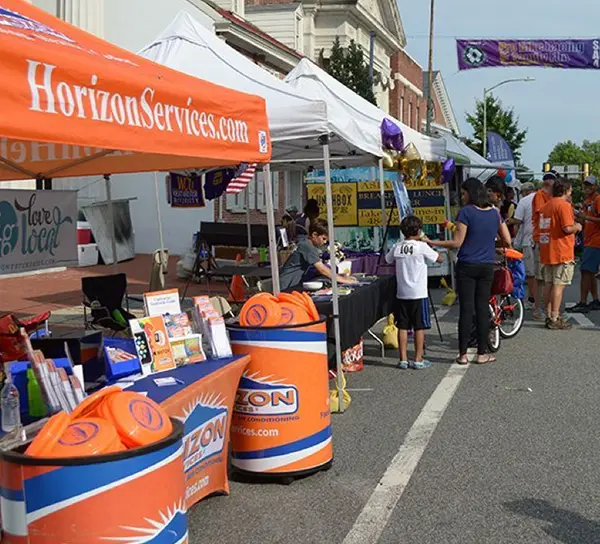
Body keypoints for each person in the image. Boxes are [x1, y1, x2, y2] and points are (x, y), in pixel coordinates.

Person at [428, 178, 511, 365]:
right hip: (486, 266)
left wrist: (432, 243)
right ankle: (482, 353)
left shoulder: (466, 213)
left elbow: (457, 242)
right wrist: (489, 243)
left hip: (467, 265)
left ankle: (463, 354)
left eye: (464, 193)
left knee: (466, 309)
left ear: (471, 193)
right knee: (482, 309)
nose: (462, 197)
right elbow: (507, 240)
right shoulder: (495, 213)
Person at [385, 215, 442, 369]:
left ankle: (403, 359)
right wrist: (430, 243)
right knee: (419, 327)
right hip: (419, 292)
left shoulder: (398, 246)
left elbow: (388, 260)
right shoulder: (421, 247)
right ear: (418, 230)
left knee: (402, 326)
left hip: (402, 292)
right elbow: (440, 259)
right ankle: (418, 358)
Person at [539, 178, 582, 330]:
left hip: (547, 248)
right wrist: (578, 226)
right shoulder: (563, 205)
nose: (571, 192)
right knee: (559, 285)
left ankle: (549, 314)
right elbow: (567, 228)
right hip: (561, 250)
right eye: (570, 189)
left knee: (548, 284)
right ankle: (555, 317)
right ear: (565, 190)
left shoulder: (546, 206)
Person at [279, 218, 357, 290]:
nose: (325, 242)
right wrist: (343, 280)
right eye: (323, 238)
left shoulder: (307, 243)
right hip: (286, 285)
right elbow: (322, 269)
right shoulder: (307, 246)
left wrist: (339, 275)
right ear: (314, 235)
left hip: (291, 283)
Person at [568, 176, 600, 313]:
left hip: (595, 241)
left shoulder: (598, 199)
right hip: (589, 239)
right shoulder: (588, 201)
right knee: (590, 272)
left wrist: (586, 217)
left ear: (595, 186)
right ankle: (595, 300)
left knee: (586, 271)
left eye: (590, 185)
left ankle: (582, 302)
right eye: (585, 185)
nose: (587, 188)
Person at [531, 172, 557, 320]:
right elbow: (543, 212)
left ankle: (547, 309)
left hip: (550, 240)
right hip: (542, 239)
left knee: (549, 277)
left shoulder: (552, 197)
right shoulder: (540, 195)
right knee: (540, 277)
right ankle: (537, 309)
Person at [509, 182, 536, 305]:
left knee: (530, 273)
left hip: (528, 240)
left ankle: (532, 298)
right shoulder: (543, 198)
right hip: (542, 240)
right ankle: (542, 299)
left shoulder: (524, 201)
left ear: (524, 192)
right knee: (542, 273)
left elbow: (518, 220)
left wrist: (508, 221)